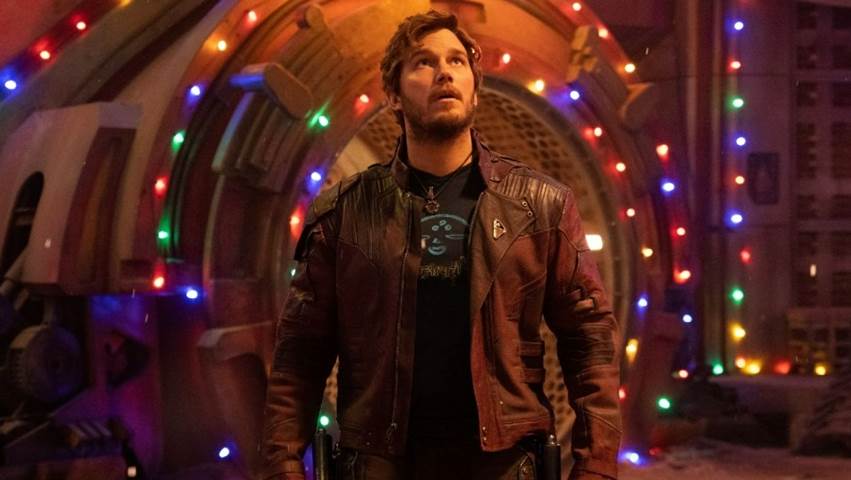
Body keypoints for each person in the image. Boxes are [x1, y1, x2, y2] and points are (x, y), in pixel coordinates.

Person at [260, 10, 621, 480]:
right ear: (393, 95)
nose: (444, 73)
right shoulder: (344, 212)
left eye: (456, 61)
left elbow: (589, 340)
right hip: (381, 466)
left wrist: (596, 467)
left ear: (475, 87)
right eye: (424, 62)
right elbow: (299, 355)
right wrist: (283, 466)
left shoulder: (540, 205)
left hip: (502, 465)